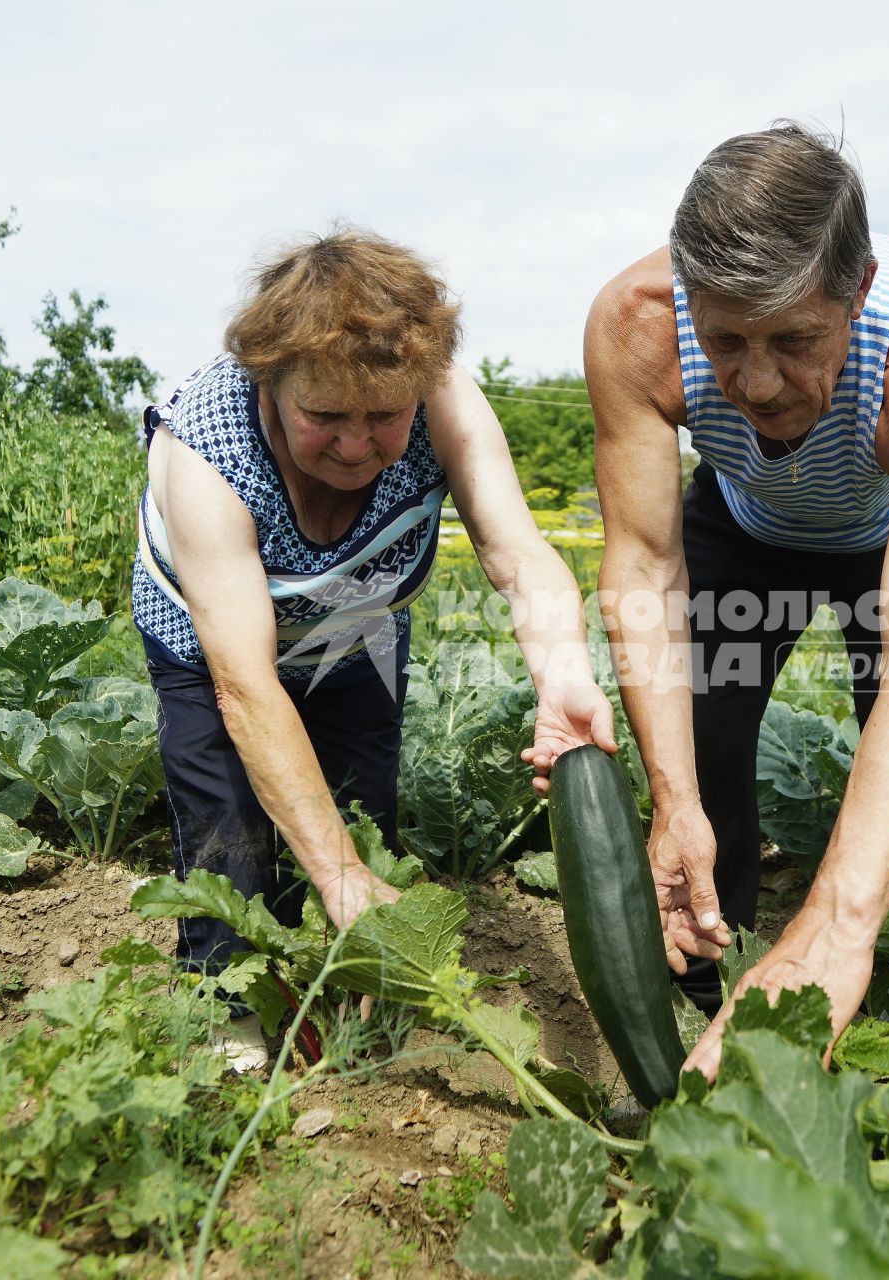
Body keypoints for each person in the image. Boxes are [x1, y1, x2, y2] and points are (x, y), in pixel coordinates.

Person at [134, 229, 615, 1069]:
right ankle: (225, 1011)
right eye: (323, 416)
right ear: (271, 383)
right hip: (212, 641)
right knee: (228, 819)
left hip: (356, 626)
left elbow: (518, 554)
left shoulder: (446, 404)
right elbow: (245, 687)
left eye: (384, 417)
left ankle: (355, 994)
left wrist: (564, 671)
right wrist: (336, 873)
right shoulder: (204, 451)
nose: (357, 447)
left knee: (363, 809)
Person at [584, 123, 889, 1080]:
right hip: (744, 528)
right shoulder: (636, 325)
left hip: (876, 538)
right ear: (688, 299)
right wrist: (671, 800)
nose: (757, 380)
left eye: (795, 340)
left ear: (855, 294)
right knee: (707, 732)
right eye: (725, 340)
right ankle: (703, 961)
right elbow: (645, 568)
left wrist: (836, 926)